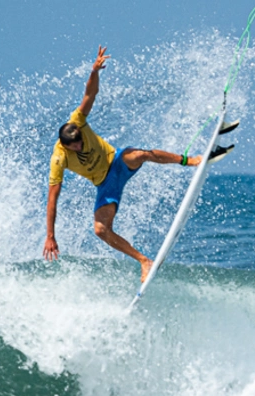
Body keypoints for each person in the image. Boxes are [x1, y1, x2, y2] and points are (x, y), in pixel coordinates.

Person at [43, 46, 222, 282]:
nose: (79, 146)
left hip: (117, 161)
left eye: (79, 142)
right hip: (106, 185)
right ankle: (144, 261)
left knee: (139, 154)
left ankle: (191, 160)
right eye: (74, 146)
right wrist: (50, 235)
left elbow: (90, 94)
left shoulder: (77, 122)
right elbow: (52, 199)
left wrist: (94, 71)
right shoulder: (58, 158)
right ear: (65, 145)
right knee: (100, 230)